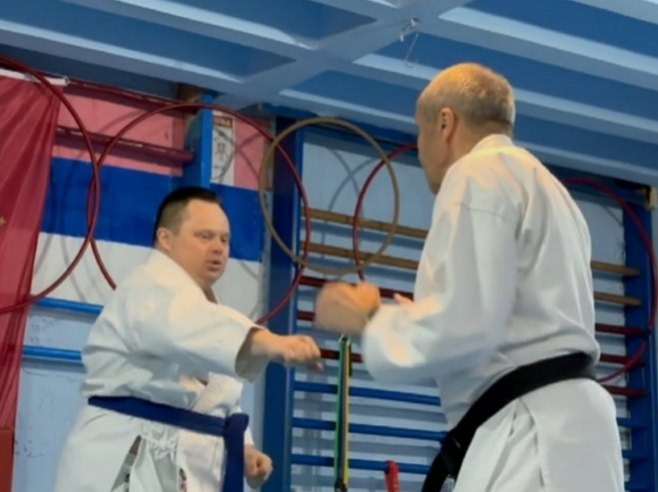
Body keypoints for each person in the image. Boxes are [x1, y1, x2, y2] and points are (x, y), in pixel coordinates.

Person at [313, 63, 624, 492]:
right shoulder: (550, 190)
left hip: (531, 435)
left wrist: (370, 321)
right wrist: (425, 316)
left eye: (419, 131)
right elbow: (503, 316)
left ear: (445, 122)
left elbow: (466, 326)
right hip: (574, 430)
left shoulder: (477, 173)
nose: (419, 147)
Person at [54, 186, 322, 492]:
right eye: (204, 236)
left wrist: (244, 448)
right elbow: (182, 325)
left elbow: (217, 397)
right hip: (128, 455)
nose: (218, 248)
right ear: (165, 239)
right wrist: (269, 342)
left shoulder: (205, 308)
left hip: (182, 460)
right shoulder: (147, 287)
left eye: (224, 239)